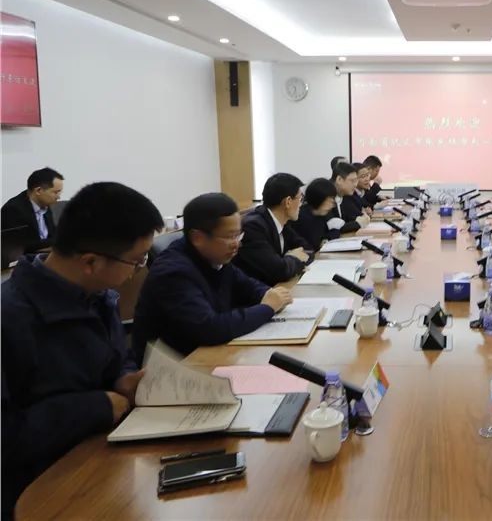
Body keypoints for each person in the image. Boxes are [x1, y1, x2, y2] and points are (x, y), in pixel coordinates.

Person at [2, 182, 163, 516]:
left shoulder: (99, 295)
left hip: (108, 460)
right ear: (91, 262)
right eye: (136, 261)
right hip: (44, 491)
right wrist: (97, 406)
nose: (138, 271)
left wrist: (124, 379)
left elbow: (115, 361)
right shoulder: (11, 317)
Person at [132, 193, 292, 362]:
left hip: (207, 354)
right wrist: (267, 307)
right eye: (229, 237)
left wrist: (269, 294)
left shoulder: (216, 256)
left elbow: (247, 286)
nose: (236, 244)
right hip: (176, 366)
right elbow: (209, 328)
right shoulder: (173, 272)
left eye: (238, 235)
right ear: (198, 238)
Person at [233, 173, 311, 286]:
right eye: (300, 198)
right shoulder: (253, 227)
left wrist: (287, 261)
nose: (301, 204)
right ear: (288, 201)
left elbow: (307, 250)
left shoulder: (282, 222)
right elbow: (279, 271)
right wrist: (292, 257)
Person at [1, 167, 64, 252]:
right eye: (55, 192)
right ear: (38, 191)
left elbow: (52, 234)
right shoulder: (13, 209)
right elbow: (23, 246)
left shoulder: (45, 203)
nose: (58, 197)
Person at [294, 178, 341, 251]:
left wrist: (326, 239)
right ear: (319, 198)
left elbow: (335, 230)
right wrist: (321, 242)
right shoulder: (300, 217)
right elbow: (311, 245)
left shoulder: (322, 214)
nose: (332, 205)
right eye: (329, 201)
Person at [328, 162, 370, 234]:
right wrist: (358, 223)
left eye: (356, 181)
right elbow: (333, 229)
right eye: (352, 181)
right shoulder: (327, 196)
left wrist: (358, 219)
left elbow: (343, 221)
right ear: (339, 179)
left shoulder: (341, 195)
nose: (355, 185)